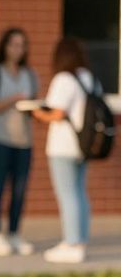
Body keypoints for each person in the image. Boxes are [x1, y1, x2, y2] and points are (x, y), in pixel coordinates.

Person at [32, 37, 98, 264]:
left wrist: (38, 114)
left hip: (64, 146)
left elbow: (57, 112)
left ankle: (71, 243)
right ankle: (79, 240)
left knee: (67, 194)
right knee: (79, 193)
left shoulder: (63, 79)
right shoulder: (88, 78)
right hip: (84, 144)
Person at [0, 28, 39, 256]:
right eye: (13, 44)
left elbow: (33, 108)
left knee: (20, 189)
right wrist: (13, 100)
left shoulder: (30, 75)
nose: (17, 49)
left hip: (24, 141)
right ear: (4, 47)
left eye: (22, 45)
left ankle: (14, 233)